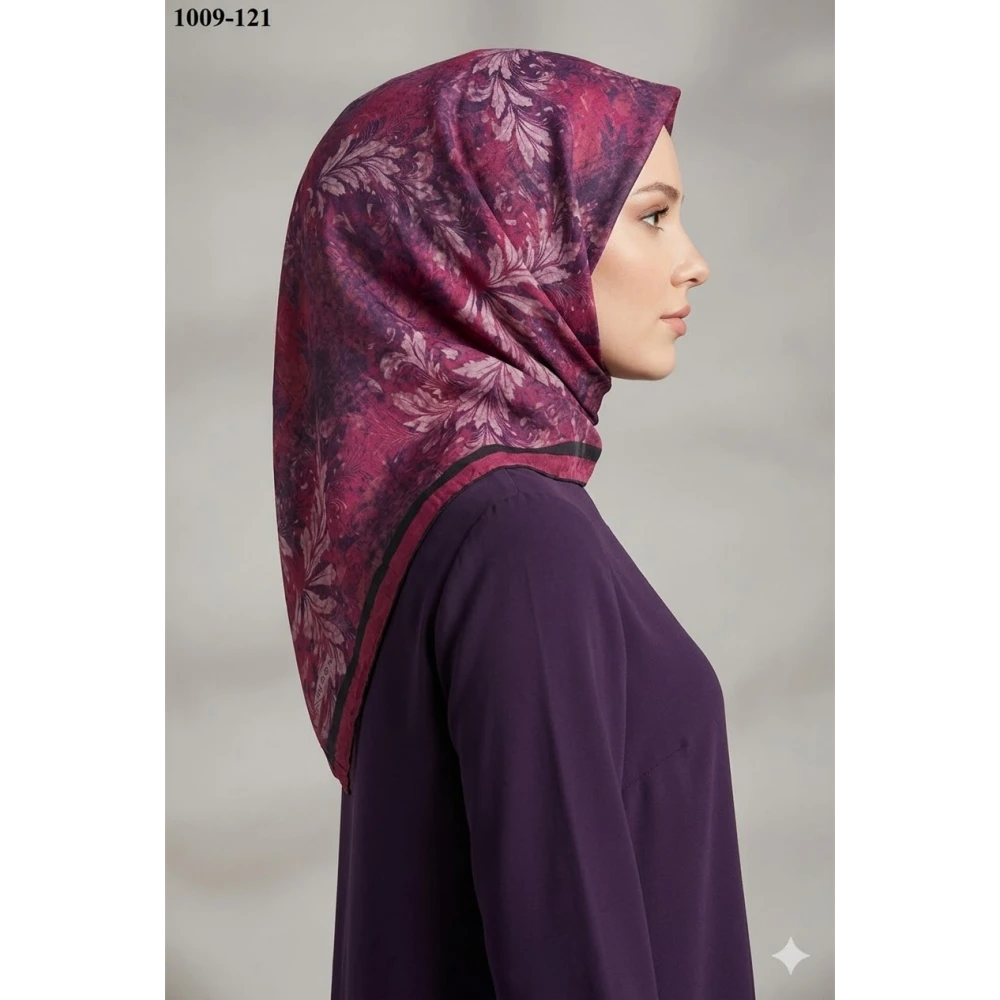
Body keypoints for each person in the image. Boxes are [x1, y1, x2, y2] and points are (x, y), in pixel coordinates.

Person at [273, 46, 756, 999]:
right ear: (505, 234)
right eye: (652, 216)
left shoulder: (448, 524)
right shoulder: (520, 541)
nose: (693, 263)